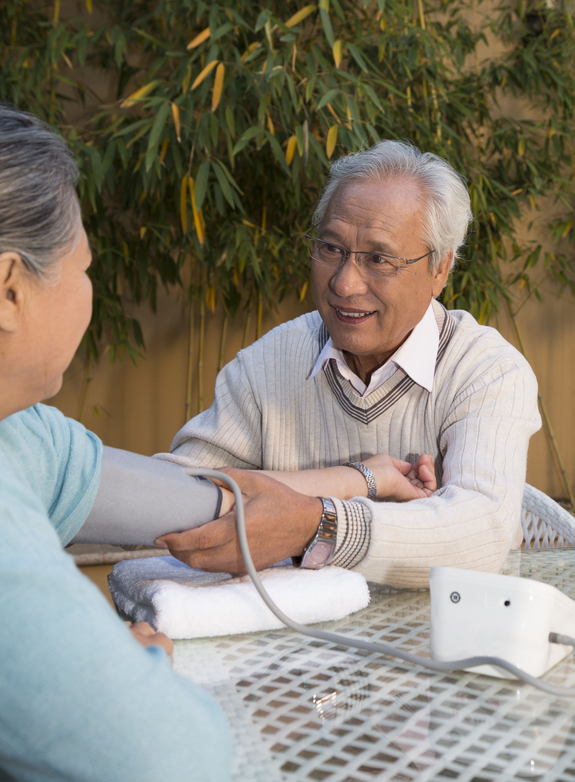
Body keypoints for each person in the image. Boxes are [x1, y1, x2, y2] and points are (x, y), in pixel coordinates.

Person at [154, 141, 542, 587]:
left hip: (445, 635)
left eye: (378, 259)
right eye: (331, 249)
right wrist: (358, 480)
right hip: (300, 644)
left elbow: (480, 532)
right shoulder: (271, 362)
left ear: (440, 269)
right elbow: (177, 496)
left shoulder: (485, 370)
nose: (344, 282)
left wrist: (316, 525)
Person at [0, 106, 234, 782]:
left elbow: (153, 494)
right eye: (83, 268)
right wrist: (141, 664)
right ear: (10, 291)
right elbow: (179, 756)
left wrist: (353, 487)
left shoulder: (15, 429)